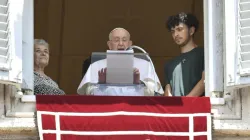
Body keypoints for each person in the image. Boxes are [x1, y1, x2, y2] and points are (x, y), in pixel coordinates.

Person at [77, 28, 164, 96]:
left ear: (130, 44)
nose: (121, 43)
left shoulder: (145, 64)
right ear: (109, 45)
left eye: (124, 40)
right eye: (116, 40)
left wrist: (138, 83)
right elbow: (87, 93)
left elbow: (154, 92)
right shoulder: (97, 65)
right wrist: (101, 84)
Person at [164, 12, 205, 97]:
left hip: (198, 109)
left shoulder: (204, 53)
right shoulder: (169, 64)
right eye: (172, 31)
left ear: (191, 30)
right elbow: (168, 93)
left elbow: (205, 81)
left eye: (179, 29)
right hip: (175, 109)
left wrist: (186, 103)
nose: (175, 34)